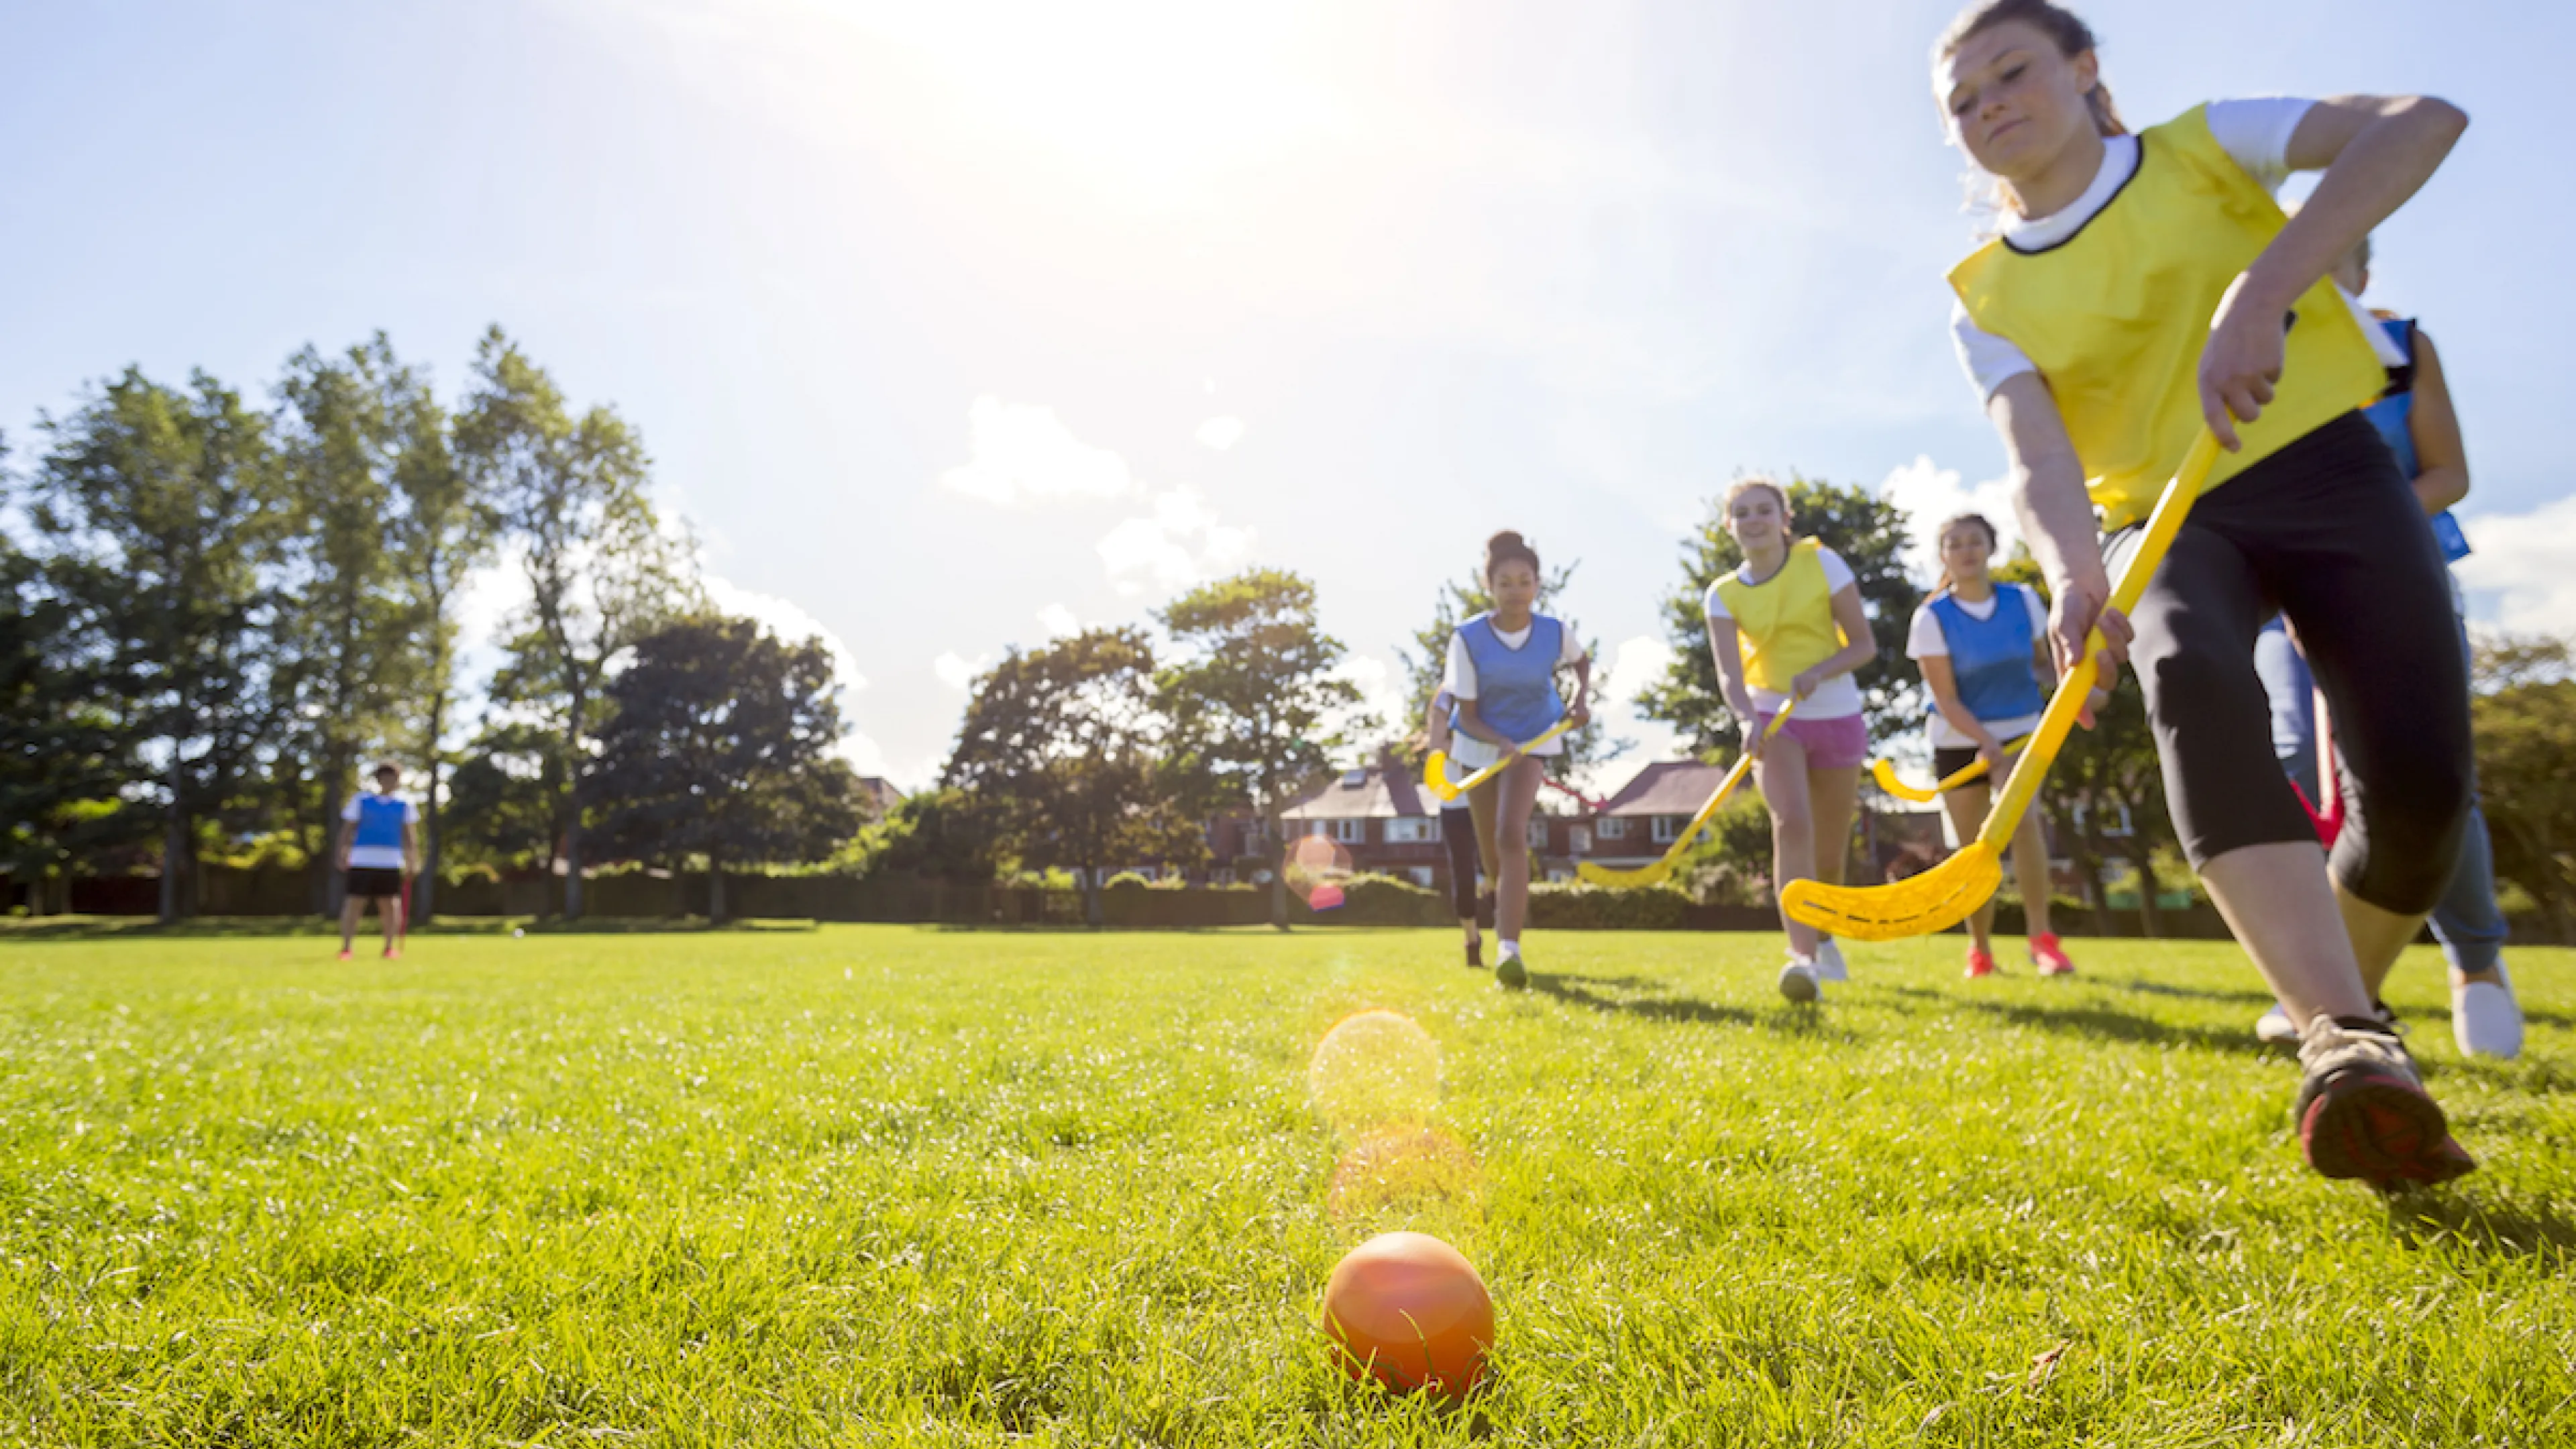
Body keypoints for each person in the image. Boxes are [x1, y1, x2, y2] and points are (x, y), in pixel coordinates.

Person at [1936, 0, 2476, 1186]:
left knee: (2424, 791)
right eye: (1963, 103)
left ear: (2085, 71)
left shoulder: (2205, 146)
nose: (1988, 109)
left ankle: (2341, 1003)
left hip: (2330, 466)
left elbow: (2424, 122)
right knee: (2189, 677)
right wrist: (2078, 573)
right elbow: (2037, 455)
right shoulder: (1984, 291)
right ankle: (2344, 1037)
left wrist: (2264, 288)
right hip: (2168, 522)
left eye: (2011, 74)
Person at [2250, 239, 2523, 1059]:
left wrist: (2355, 537)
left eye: (2343, 255)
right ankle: (2334, 981)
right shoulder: (2255, 351)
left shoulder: (2403, 349)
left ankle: (2474, 963)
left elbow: (2449, 472)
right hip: (2283, 599)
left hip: (2399, 580)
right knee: (2297, 757)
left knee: (2423, 769)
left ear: (2364, 271)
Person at [1705, 478, 1878, 1002]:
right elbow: (1731, 676)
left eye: (1764, 510)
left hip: (1837, 711)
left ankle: (1824, 937)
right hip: (1771, 717)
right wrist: (1744, 718)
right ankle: (1802, 960)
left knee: (1829, 853)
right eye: (1742, 512)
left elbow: (1864, 645)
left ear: (1784, 517)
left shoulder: (1821, 563)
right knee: (1791, 824)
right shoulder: (1722, 594)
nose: (1753, 519)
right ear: (1729, 525)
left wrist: (1820, 671)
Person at [1905, 512, 2074, 978]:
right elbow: (1945, 698)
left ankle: (2042, 941)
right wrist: (1983, 741)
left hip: (2021, 731)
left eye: (1974, 541)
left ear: (1990, 548)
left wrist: (2073, 686)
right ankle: (1979, 951)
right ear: (1943, 556)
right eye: (1955, 543)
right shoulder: (1931, 618)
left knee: (2023, 825)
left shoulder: (2023, 602)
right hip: (1958, 738)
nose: (1966, 550)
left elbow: (2042, 665)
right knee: (1974, 847)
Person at [1442, 531, 1592, 990]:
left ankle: (1510, 947)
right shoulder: (1467, 638)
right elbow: (1466, 713)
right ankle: (1496, 889)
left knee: (1511, 833)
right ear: (1490, 586)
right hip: (1479, 743)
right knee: (1492, 850)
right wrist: (1499, 740)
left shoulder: (1554, 632)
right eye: (1505, 582)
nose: (1515, 591)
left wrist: (1580, 699)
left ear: (1537, 584)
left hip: (1534, 738)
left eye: (1524, 581)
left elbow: (1581, 662)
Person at [1425, 688, 1497, 969]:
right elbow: (1437, 745)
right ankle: (1472, 941)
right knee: (1463, 873)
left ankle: (1507, 942)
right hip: (1455, 801)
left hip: (1488, 795)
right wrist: (1475, 743)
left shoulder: (1491, 688)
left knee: (1496, 869)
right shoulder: (1445, 698)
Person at [338, 761, 420, 960]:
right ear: (378, 780)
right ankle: (347, 948)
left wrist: (413, 860)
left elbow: (410, 835)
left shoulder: (404, 805)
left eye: (393, 779)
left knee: (390, 905)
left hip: (391, 861)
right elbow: (347, 830)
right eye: (385, 778)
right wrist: (341, 853)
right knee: (355, 903)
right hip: (362, 859)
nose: (389, 782)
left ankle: (389, 947)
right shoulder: (361, 800)